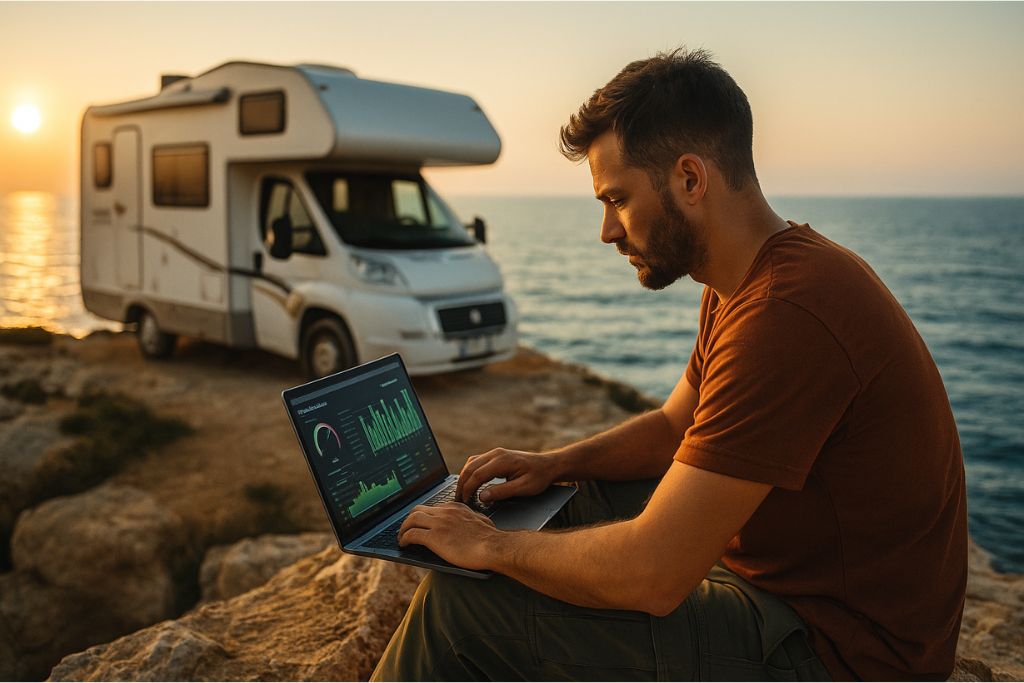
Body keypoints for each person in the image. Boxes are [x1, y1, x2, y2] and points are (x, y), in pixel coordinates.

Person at [371, 47, 967, 681]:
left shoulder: (789, 310)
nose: (607, 230)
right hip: (791, 597)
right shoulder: (745, 282)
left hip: (838, 653)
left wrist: (487, 546)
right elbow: (674, 427)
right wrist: (555, 464)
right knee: (569, 499)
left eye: (618, 199)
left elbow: (654, 577)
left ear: (689, 178)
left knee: (464, 605)